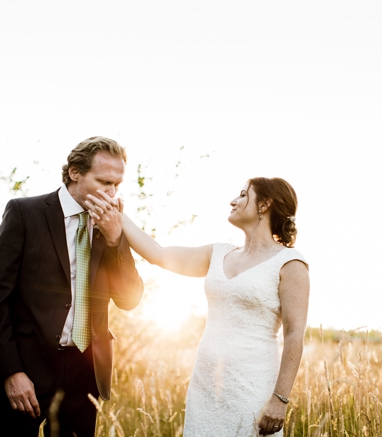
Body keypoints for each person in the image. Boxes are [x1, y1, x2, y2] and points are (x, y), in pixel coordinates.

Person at [95, 176, 308, 436]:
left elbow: (295, 333)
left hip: (253, 391)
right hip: (206, 390)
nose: (234, 200)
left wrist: (280, 398)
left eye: (243, 195)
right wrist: (118, 215)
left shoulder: (290, 263)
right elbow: (159, 254)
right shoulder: (217, 253)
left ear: (265, 204)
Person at [0, 136, 145, 437]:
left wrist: (114, 240)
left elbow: (129, 299)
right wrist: (11, 372)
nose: (111, 193)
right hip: (27, 368)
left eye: (117, 185)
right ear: (75, 173)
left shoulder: (112, 226)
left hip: (85, 373)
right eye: (104, 181)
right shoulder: (24, 213)